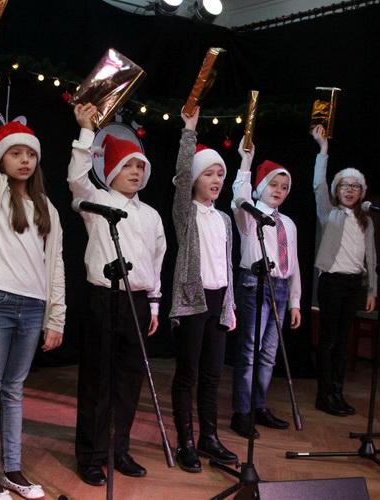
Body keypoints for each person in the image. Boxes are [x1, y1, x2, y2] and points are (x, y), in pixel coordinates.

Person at [0, 46, 66, 500]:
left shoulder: (48, 209)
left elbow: (56, 265)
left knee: (15, 389)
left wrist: (56, 317)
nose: (24, 160)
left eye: (30, 154)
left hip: (33, 305)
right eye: (15, 153)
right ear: (2, 159)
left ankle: (13, 469)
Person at [68, 104, 166, 486]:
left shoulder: (151, 215)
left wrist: (154, 302)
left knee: (129, 381)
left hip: (137, 302)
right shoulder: (96, 202)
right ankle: (91, 456)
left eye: (141, 167)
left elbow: (157, 259)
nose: (136, 172)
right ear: (112, 171)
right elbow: (76, 178)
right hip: (103, 299)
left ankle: (118, 449)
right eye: (128, 166)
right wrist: (85, 133)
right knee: (98, 381)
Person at [169, 107, 238, 473]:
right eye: (209, 173)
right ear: (196, 178)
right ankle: (186, 441)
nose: (216, 180)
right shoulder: (187, 212)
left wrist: (230, 305)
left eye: (220, 174)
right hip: (193, 303)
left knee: (213, 374)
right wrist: (189, 132)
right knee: (188, 373)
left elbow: (227, 267)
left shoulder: (224, 219)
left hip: (218, 301)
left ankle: (209, 436)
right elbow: (181, 177)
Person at [229, 139, 301, 439]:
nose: (279, 190)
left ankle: (259, 405)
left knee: (269, 354)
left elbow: (293, 264)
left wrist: (295, 301)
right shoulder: (250, 214)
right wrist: (246, 162)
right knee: (249, 351)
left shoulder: (289, 224)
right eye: (273, 184)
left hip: (280, 288)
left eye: (284, 187)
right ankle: (242, 412)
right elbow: (238, 197)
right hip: (254, 283)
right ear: (261, 186)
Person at [311, 124, 376, 417]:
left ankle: (337, 392)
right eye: (344, 185)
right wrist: (323, 150)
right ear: (337, 191)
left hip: (353, 285)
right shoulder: (330, 214)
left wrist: (372, 289)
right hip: (332, 283)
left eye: (355, 186)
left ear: (362, 192)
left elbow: (371, 256)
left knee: (343, 342)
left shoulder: (367, 221)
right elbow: (318, 185)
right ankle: (323, 395)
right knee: (328, 341)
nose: (349, 190)